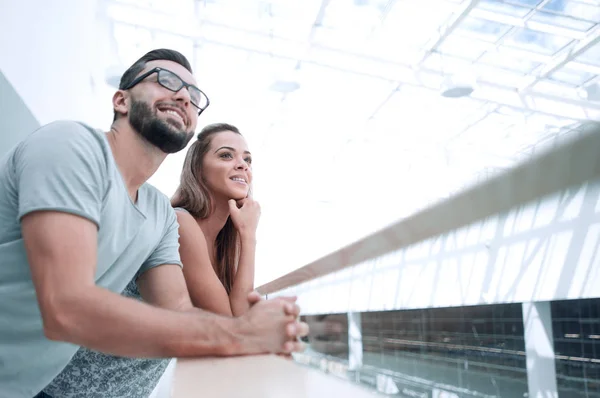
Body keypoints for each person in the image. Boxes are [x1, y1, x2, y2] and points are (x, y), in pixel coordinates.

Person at [0, 48, 308, 398]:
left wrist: (256, 326)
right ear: (121, 100)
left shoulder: (159, 213)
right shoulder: (71, 146)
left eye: (194, 96)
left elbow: (178, 310)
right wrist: (244, 333)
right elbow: (66, 306)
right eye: (165, 80)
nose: (182, 96)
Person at [42, 123, 263, 398]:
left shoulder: (224, 246)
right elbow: (233, 324)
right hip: (70, 389)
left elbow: (239, 316)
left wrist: (245, 235)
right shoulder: (180, 221)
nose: (242, 165)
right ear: (199, 170)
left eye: (248, 159)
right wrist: (249, 235)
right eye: (226, 155)